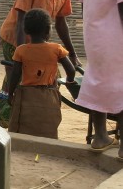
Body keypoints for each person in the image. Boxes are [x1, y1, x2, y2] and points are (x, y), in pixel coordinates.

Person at [71, 0, 123, 155]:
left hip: (94, 41)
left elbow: (86, 8)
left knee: (97, 81)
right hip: (116, 41)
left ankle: (101, 136)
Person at [8, 9, 76, 139]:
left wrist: (10, 93)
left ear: (26, 30)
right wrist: (70, 82)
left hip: (26, 95)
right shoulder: (56, 49)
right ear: (47, 30)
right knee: (48, 127)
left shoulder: (20, 50)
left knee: (23, 127)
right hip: (49, 95)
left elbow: (15, 75)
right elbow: (71, 70)